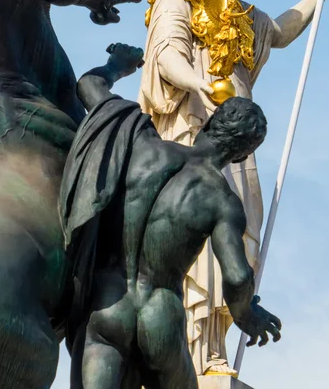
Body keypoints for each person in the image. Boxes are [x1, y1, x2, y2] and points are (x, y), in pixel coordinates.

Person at [138, 0, 329, 375]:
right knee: (195, 245)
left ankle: (213, 353)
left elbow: (283, 30)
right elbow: (167, 55)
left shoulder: (244, 14)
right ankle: (182, 349)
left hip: (236, 148)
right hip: (188, 140)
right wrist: (197, 80)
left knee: (236, 240)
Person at [60, 43, 282, 389]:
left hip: (107, 302)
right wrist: (247, 316)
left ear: (209, 122)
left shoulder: (141, 140)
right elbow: (238, 278)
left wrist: (117, 65)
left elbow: (89, 86)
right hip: (159, 313)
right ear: (241, 156)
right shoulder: (224, 202)